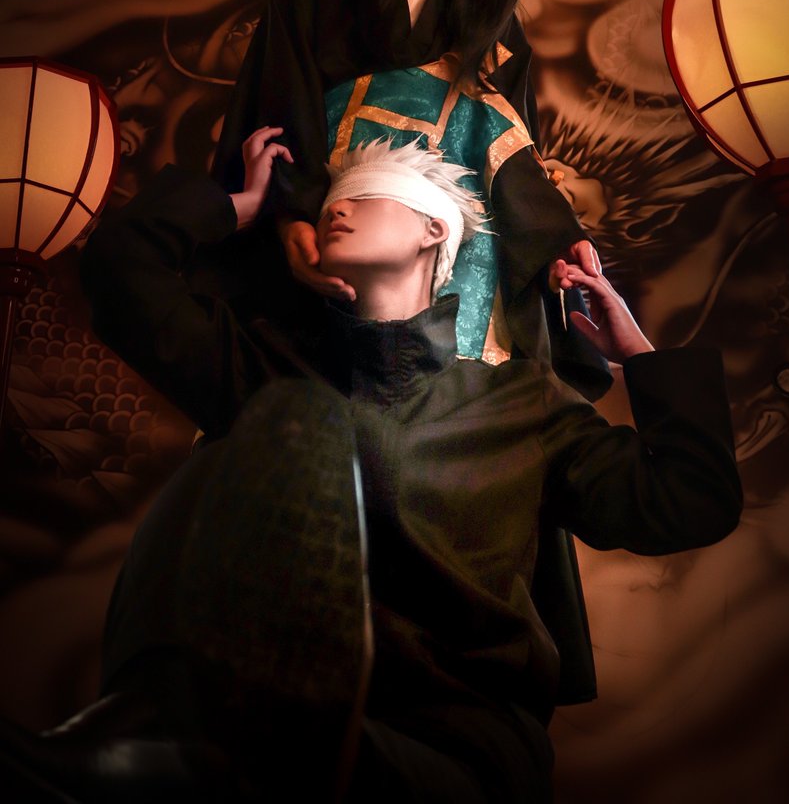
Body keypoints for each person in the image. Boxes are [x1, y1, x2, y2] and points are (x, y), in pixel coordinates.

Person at [1, 129, 742, 803]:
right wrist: (233, 206)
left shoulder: (522, 403)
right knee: (239, 443)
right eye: (331, 197)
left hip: (454, 752)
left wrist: (639, 355)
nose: (337, 206)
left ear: (433, 230)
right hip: (259, 719)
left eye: (366, 192)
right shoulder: (267, 371)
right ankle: (140, 732)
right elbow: (120, 274)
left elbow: (689, 500)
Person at [210, 0, 607, 391]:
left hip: (455, 250)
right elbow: (279, 112)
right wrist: (292, 224)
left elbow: (507, 153)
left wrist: (557, 241)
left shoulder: (496, 22)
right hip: (333, 231)